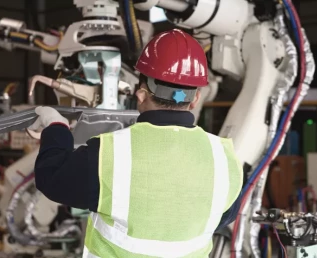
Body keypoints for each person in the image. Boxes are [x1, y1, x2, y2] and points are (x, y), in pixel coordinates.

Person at [30, 29, 243, 258]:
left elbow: (51, 176)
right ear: (195, 99)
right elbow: (223, 217)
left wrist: (56, 127)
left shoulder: (110, 154)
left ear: (141, 95)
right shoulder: (226, 160)